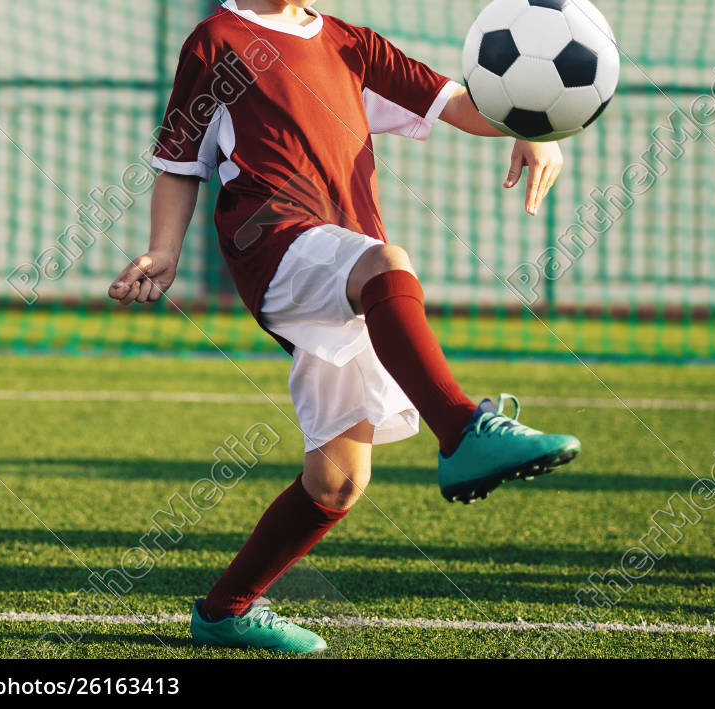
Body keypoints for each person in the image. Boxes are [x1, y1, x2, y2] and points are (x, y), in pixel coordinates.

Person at [109, 0, 581, 653]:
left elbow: (461, 104)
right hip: (273, 246)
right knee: (388, 262)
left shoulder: (350, 44)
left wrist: (532, 124)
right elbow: (179, 159)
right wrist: (163, 250)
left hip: (345, 276)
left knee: (338, 480)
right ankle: (462, 429)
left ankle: (226, 609)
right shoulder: (215, 38)